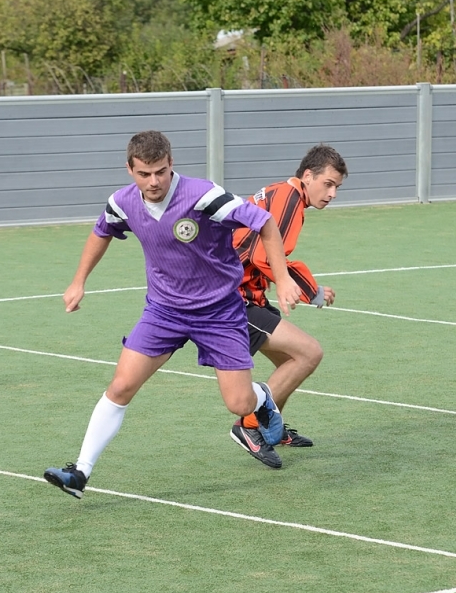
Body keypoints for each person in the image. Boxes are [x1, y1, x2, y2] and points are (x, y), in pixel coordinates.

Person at [44, 131, 303, 498]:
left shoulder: (204, 195)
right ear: (130, 169)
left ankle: (261, 399)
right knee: (121, 386)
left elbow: (264, 222)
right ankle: (80, 472)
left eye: (161, 172)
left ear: (171, 164)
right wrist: (78, 281)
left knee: (239, 403)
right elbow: (102, 231)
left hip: (219, 312)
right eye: (144, 174)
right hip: (164, 311)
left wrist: (283, 278)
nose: (154, 182)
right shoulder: (122, 202)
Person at [227, 145, 348, 468]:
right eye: (328, 184)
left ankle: (271, 427)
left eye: (337, 187)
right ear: (308, 176)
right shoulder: (290, 199)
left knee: (290, 361)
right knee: (309, 353)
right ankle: (249, 426)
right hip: (229, 299)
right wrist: (311, 291)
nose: (333, 194)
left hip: (246, 294)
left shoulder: (282, 193)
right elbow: (263, 256)